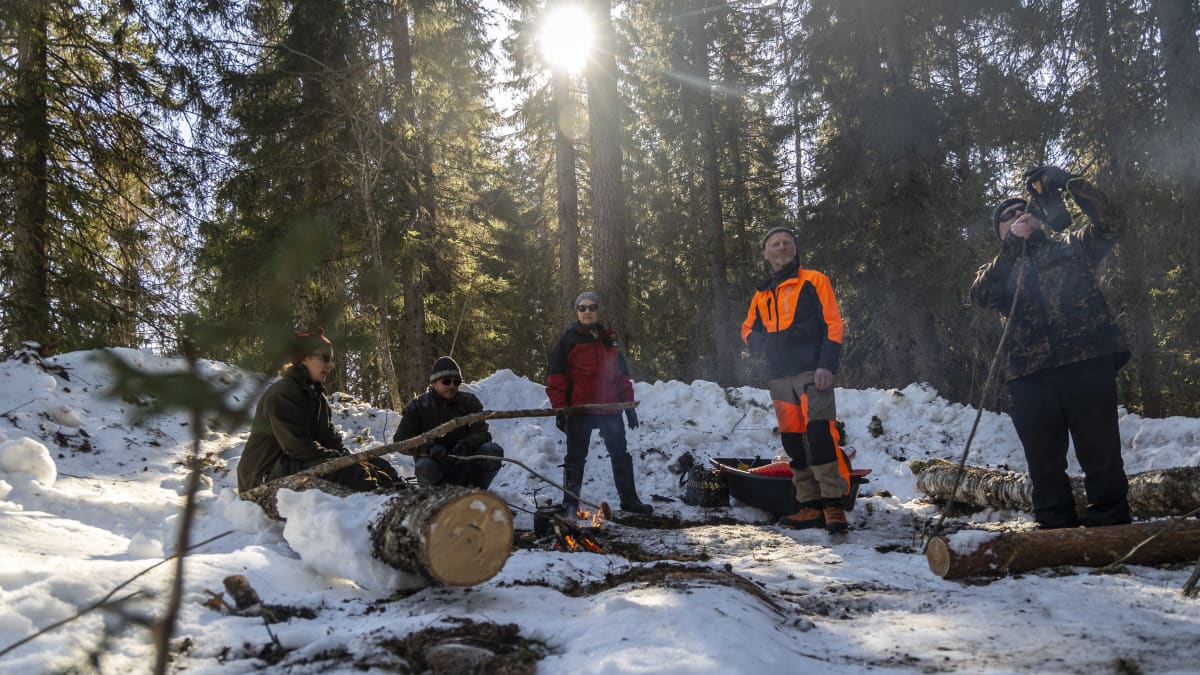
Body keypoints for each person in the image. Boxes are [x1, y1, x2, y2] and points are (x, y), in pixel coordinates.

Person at [971, 166, 1131, 529]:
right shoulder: (998, 268)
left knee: (1102, 454)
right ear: (1001, 233)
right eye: (1007, 216)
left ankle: (1112, 528)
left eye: (1022, 210)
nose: (1017, 215)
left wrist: (1071, 184)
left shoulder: (1074, 246)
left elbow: (1114, 222)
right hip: (1030, 378)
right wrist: (1013, 246)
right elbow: (981, 294)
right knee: (1044, 464)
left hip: (1087, 364)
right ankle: (1056, 533)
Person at [741, 227, 851, 533]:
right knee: (793, 441)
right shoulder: (762, 293)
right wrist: (759, 343)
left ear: (794, 248)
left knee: (819, 435)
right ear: (766, 254)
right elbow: (747, 328)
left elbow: (833, 324)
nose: (780, 248)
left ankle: (833, 505)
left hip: (811, 372)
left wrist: (826, 365)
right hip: (778, 378)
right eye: (774, 245)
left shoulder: (815, 280)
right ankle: (809, 506)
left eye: (785, 243)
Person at [238, 329, 400, 493]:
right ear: (305, 359)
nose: (331, 365)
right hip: (264, 475)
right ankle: (380, 502)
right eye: (325, 359)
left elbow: (329, 441)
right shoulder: (282, 394)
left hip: (292, 463)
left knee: (378, 465)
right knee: (353, 474)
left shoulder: (316, 397)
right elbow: (299, 447)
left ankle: (401, 493)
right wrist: (344, 464)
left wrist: (353, 459)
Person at [546, 292, 653, 515]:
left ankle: (629, 500)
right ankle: (571, 503)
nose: (587, 312)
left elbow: (622, 377)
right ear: (577, 311)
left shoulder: (608, 339)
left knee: (620, 453)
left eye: (592, 307)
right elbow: (556, 378)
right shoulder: (568, 340)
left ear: (597, 311)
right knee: (575, 457)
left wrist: (628, 406)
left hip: (609, 408)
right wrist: (561, 408)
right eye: (582, 308)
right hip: (580, 409)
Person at [393, 356, 504, 490]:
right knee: (424, 466)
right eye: (446, 381)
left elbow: (482, 433)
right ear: (434, 383)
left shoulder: (470, 402)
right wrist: (428, 448)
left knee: (492, 450)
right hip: (435, 465)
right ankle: (434, 501)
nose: (452, 385)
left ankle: (478, 493)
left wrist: (468, 444)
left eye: (456, 382)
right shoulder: (417, 406)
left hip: (466, 464)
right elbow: (401, 440)